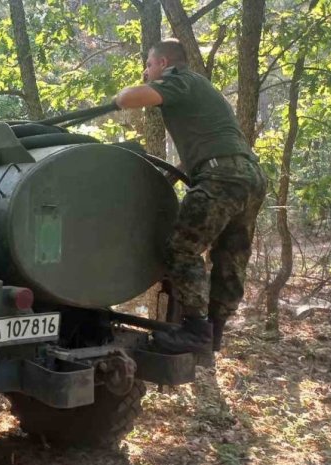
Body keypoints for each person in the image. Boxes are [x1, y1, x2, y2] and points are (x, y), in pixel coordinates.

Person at [112, 39, 267, 354]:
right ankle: (214, 334)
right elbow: (206, 148)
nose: (146, 71)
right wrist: (170, 176)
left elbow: (130, 99)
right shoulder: (203, 89)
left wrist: (119, 97)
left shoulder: (178, 79)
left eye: (149, 64)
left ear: (164, 63)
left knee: (182, 250)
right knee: (230, 257)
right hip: (249, 176)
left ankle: (196, 331)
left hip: (222, 178)